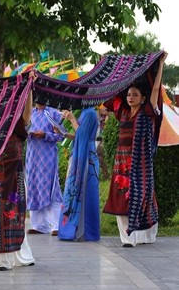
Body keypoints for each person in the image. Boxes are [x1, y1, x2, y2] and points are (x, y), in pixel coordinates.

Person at [103, 53, 167, 247]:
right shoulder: (122, 112)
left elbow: (156, 88)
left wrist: (161, 64)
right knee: (121, 200)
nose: (130, 98)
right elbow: (111, 93)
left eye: (135, 95)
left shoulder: (148, 112)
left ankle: (145, 236)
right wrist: (108, 68)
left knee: (142, 199)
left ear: (143, 98)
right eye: (129, 95)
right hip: (121, 165)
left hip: (140, 165)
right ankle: (127, 238)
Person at [0, 89, 35, 271]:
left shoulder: (17, 125)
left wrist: (29, 89)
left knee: (16, 213)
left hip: (15, 176)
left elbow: (27, 112)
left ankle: (22, 256)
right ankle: (0, 260)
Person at [58, 108, 100, 242]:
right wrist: (63, 133)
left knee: (85, 193)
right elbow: (78, 135)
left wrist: (72, 119)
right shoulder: (84, 112)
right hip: (80, 154)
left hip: (87, 157)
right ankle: (74, 229)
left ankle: (84, 231)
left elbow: (83, 135)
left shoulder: (90, 113)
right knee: (76, 190)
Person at [25, 102, 65, 235]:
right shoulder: (30, 113)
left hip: (47, 158)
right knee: (34, 187)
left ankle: (56, 225)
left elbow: (61, 135)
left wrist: (45, 135)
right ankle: (39, 225)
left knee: (51, 188)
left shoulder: (54, 113)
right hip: (32, 157)